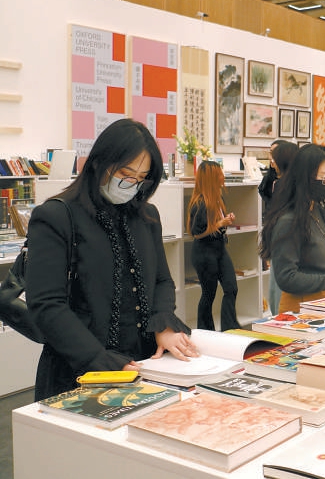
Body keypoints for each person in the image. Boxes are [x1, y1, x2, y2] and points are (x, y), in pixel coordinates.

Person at [26, 119, 198, 400]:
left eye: (141, 178)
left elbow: (162, 280)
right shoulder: (56, 217)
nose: (131, 184)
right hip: (78, 370)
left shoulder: (147, 216)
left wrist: (163, 325)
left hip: (144, 365)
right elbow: (46, 304)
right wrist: (98, 359)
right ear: (99, 163)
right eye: (124, 173)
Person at [259, 144, 325, 313]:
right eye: (324, 177)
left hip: (322, 305)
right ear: (305, 177)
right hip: (301, 311)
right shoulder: (289, 221)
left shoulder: (316, 211)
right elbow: (286, 278)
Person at [187, 161, 241, 332]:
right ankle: (205, 331)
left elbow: (217, 224)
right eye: (219, 174)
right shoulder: (200, 203)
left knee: (231, 288)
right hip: (204, 253)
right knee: (209, 294)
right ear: (211, 178)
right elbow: (196, 233)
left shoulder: (218, 199)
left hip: (219, 249)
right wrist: (219, 224)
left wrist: (225, 220)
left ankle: (230, 328)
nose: (223, 177)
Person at [264, 141, 298, 314]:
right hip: (281, 241)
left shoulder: (285, 186)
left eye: (275, 158)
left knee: (279, 290)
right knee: (275, 290)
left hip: (285, 241)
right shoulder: (277, 182)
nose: (272, 161)